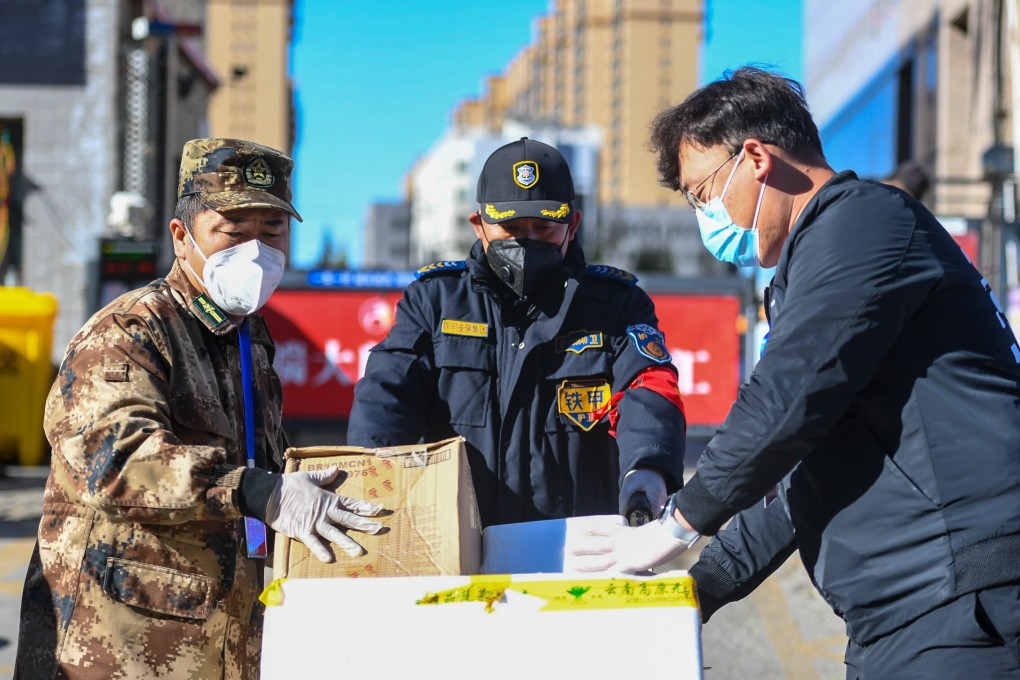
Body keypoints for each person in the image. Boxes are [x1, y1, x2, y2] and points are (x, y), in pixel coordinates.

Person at [569, 67, 1020, 677]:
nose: (705, 218)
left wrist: (675, 524)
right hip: (904, 615)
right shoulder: (817, 261)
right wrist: (695, 589)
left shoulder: (862, 224)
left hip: (965, 600)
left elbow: (783, 400)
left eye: (703, 195)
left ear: (755, 158)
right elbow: (794, 472)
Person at [15, 138, 383, 679]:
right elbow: (112, 463)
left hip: (213, 641)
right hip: (117, 646)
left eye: (272, 233)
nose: (256, 252)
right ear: (181, 236)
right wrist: (258, 491)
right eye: (233, 234)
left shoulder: (248, 337)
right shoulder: (131, 330)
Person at [347, 137, 687, 528]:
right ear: (479, 225)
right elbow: (387, 391)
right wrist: (371, 474)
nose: (526, 242)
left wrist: (648, 469)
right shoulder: (435, 302)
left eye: (542, 228)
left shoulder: (617, 306)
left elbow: (649, 390)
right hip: (463, 546)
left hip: (581, 551)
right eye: (510, 228)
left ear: (571, 225)